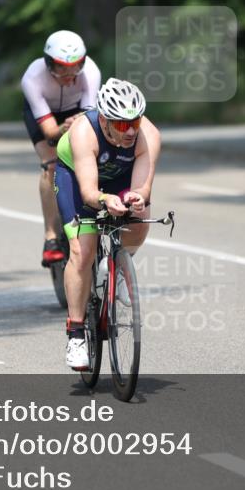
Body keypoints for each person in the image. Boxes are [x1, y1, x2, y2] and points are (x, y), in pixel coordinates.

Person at [53, 78, 161, 370]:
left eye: (135, 122)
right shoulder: (83, 133)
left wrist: (136, 199)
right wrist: (104, 199)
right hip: (77, 176)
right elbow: (89, 192)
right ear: (104, 120)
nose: (131, 131)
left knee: (139, 219)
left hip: (119, 175)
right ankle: (76, 333)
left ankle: (119, 267)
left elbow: (142, 187)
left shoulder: (147, 135)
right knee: (82, 250)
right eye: (122, 125)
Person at [20, 30, 101, 267]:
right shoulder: (32, 78)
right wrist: (63, 128)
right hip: (47, 117)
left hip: (77, 109)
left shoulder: (91, 73)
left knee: (91, 155)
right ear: (48, 64)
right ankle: (51, 238)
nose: (69, 74)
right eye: (61, 68)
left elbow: (90, 120)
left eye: (76, 67)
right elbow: (50, 133)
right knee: (52, 164)